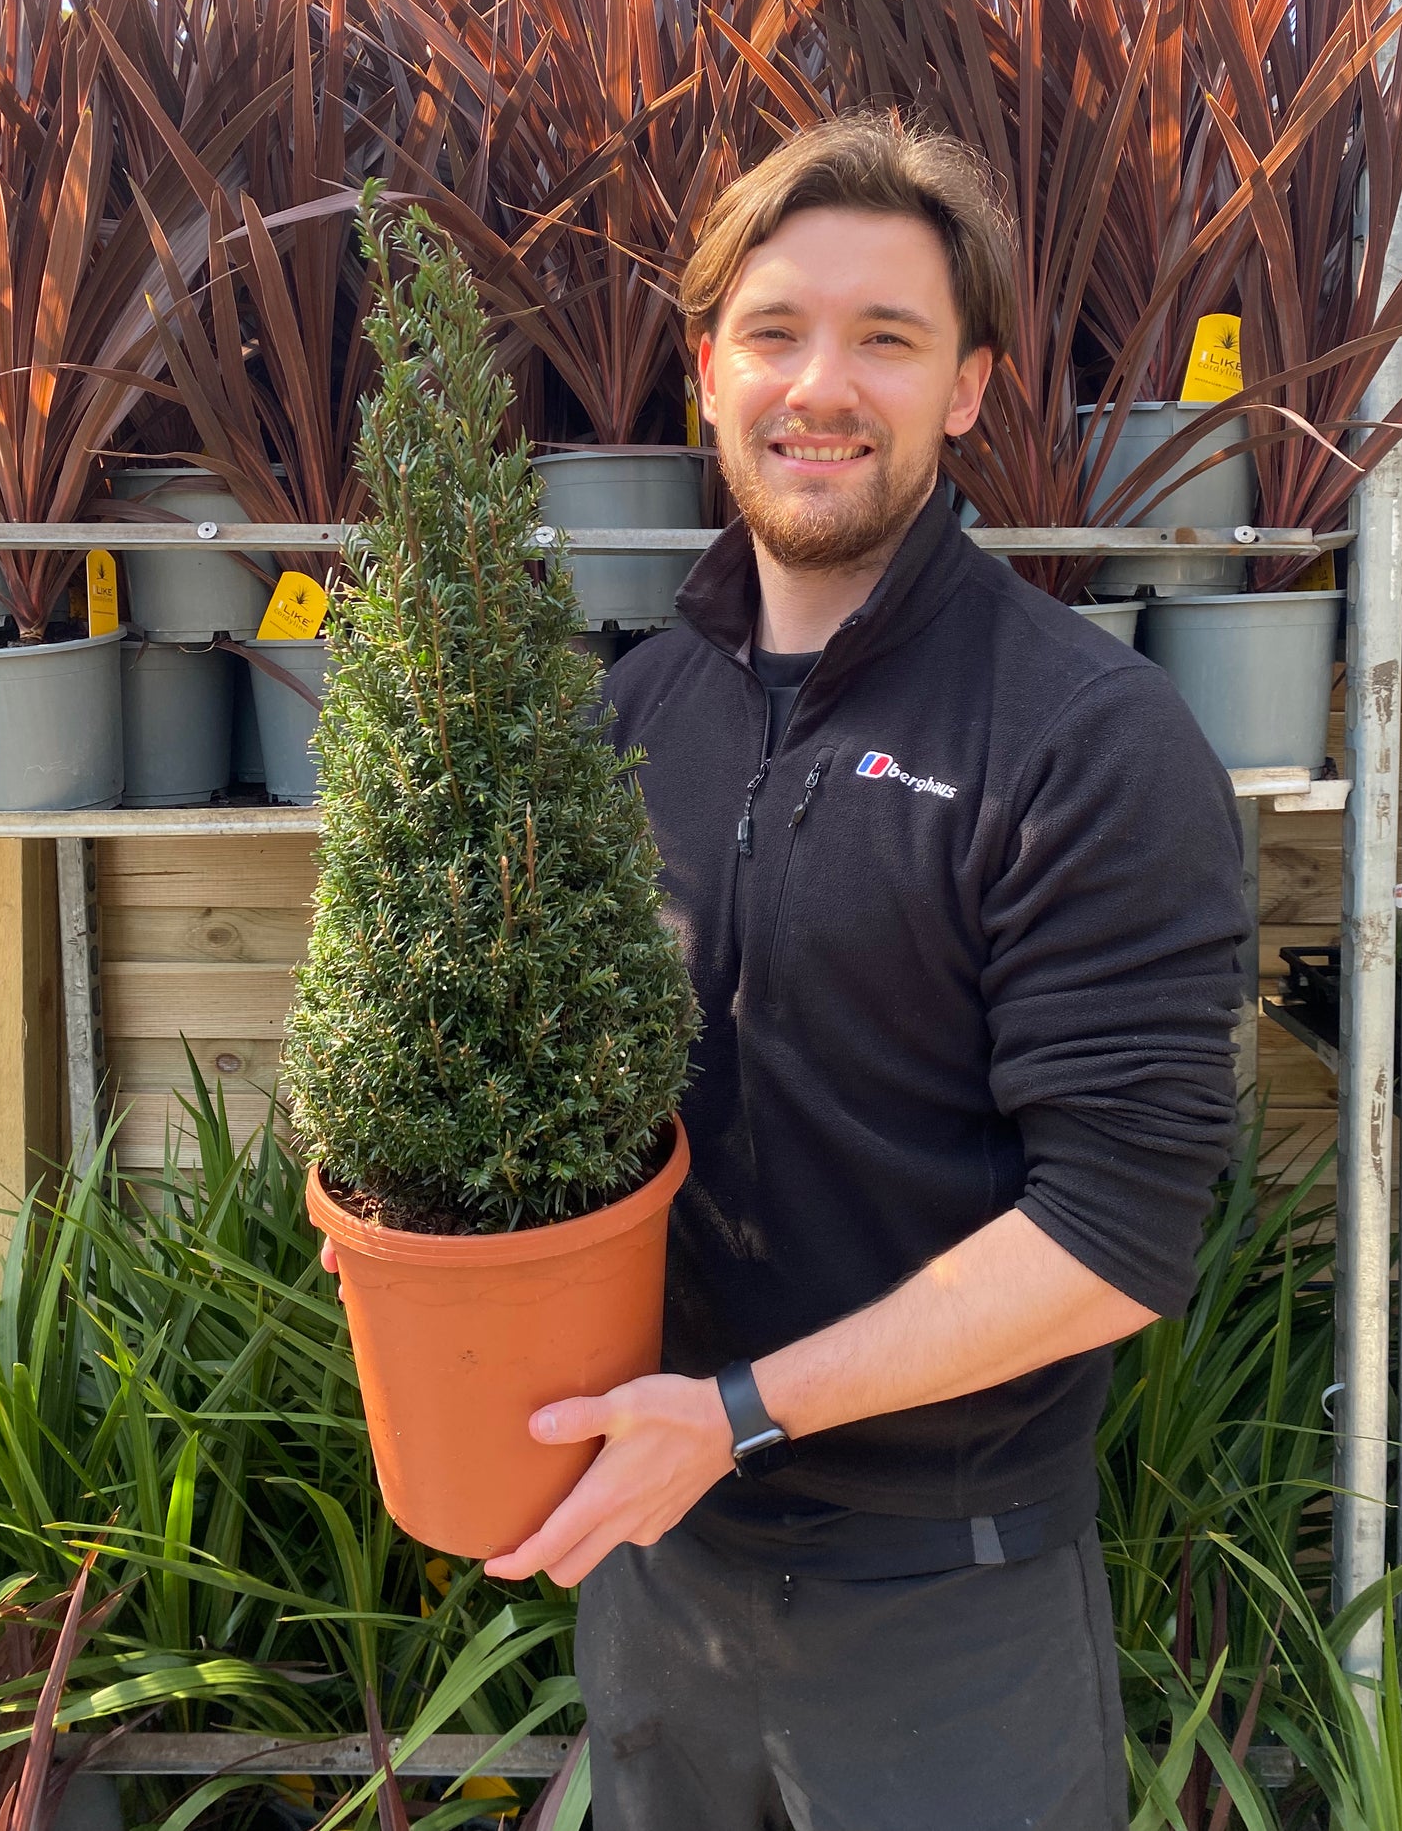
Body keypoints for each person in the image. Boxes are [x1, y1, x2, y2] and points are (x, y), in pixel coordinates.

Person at [477, 114, 1250, 1831]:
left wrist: (739, 1414)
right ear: (706, 369)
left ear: (968, 386)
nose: (820, 384)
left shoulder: (1082, 739)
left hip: (947, 1605)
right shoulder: (628, 722)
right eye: (775, 331)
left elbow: (1111, 1241)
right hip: (660, 1571)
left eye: (886, 339)